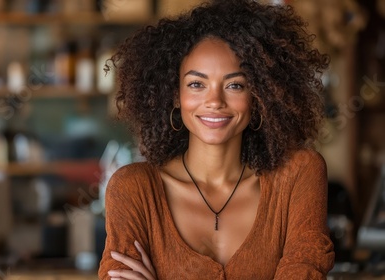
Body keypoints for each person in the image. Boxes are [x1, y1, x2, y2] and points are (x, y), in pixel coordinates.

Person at [98, 0, 335, 279]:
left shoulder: (297, 175)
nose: (214, 102)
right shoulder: (134, 189)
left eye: (235, 85)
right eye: (196, 84)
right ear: (175, 94)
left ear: (258, 96)